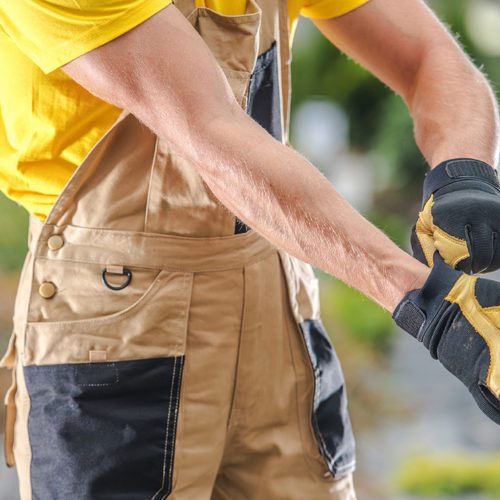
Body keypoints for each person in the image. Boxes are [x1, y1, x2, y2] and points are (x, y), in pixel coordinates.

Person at [0, 0, 499, 498]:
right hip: (117, 318)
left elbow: (427, 55)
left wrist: (464, 177)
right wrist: (429, 303)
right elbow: (210, 135)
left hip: (272, 287)